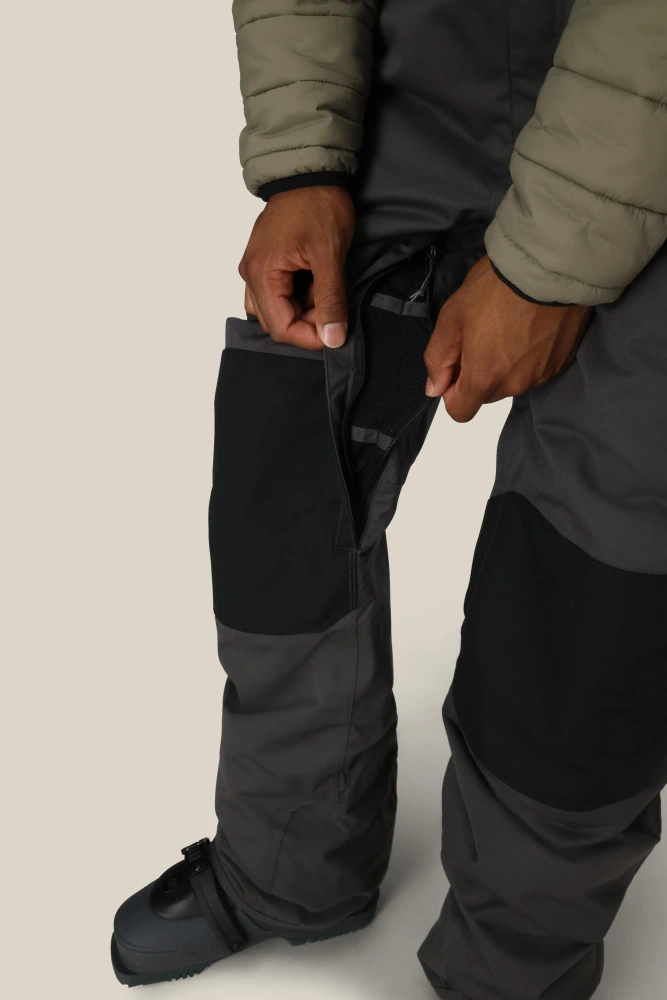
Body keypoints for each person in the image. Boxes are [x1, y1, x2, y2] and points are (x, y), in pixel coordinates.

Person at [110, 2, 667, 997]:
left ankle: (509, 973)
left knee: (599, 579)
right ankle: (291, 868)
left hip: (653, 132)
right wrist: (303, 165)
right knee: (289, 452)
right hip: (432, 79)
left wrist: (544, 266)